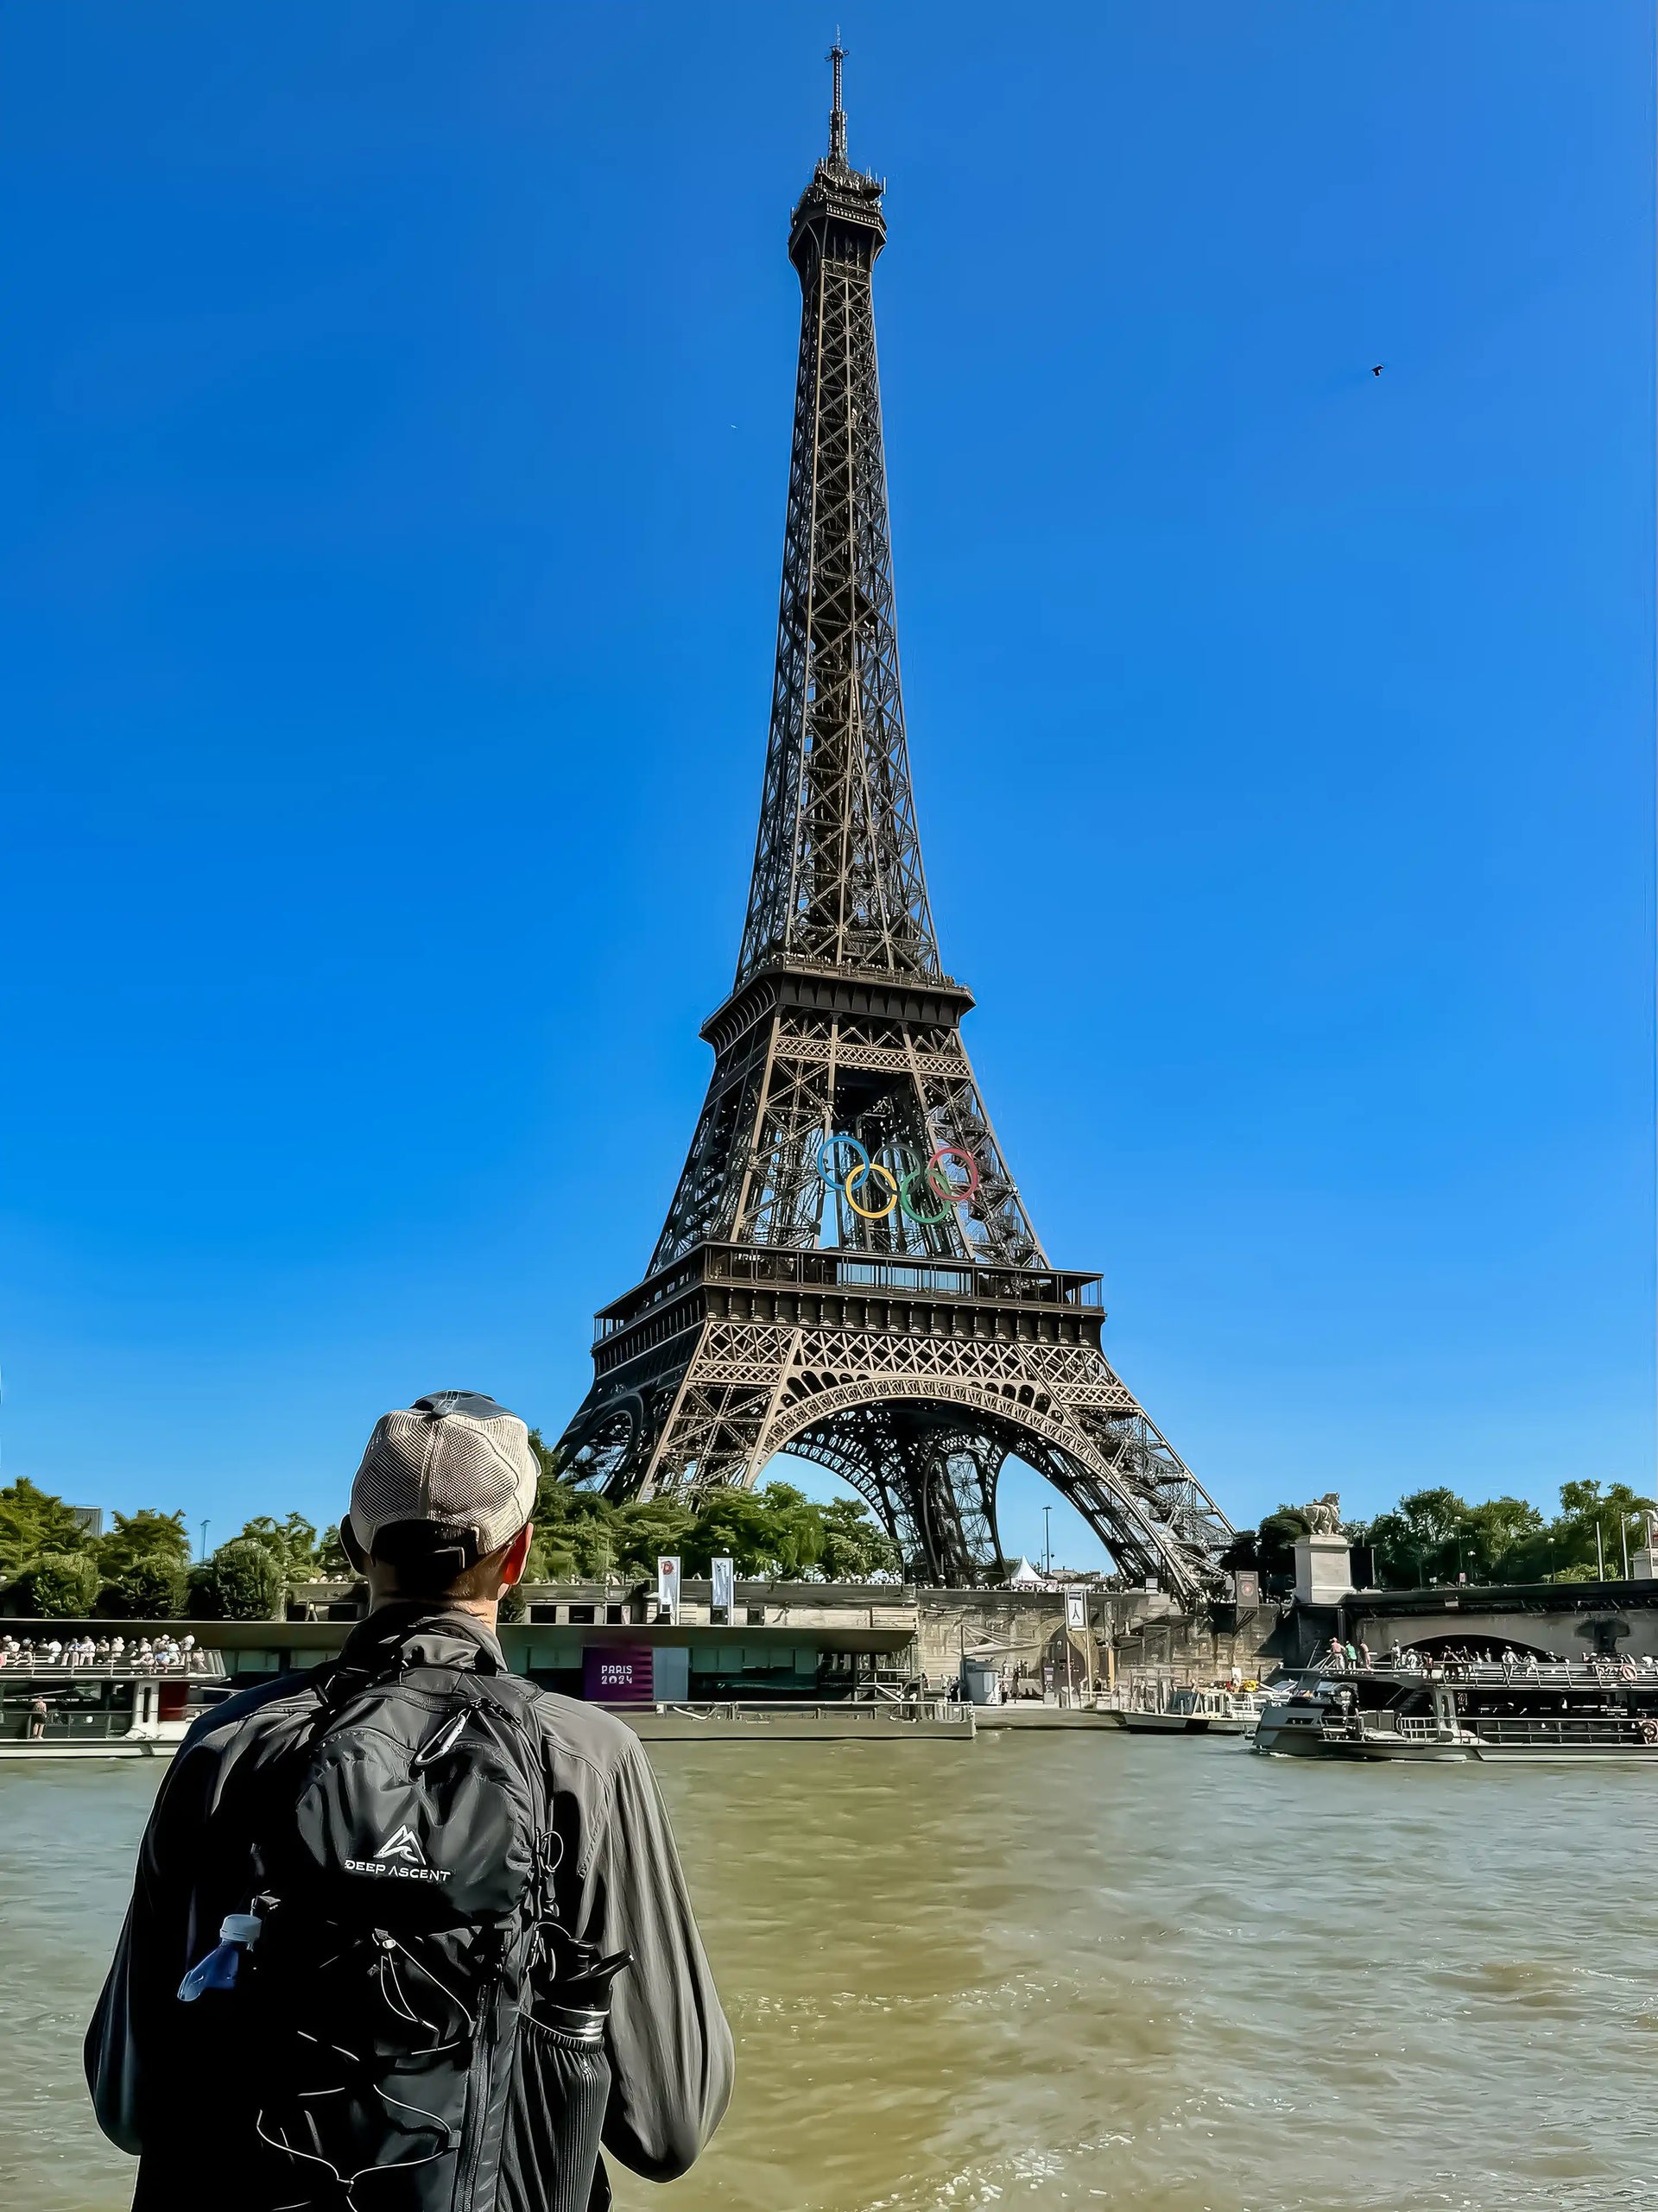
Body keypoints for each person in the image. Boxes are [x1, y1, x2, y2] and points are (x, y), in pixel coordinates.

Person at [86, 1390, 733, 2209]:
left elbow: (129, 2107)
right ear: (521, 1553)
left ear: (357, 1546)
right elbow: (667, 2129)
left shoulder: (228, 1743)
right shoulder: (587, 1757)